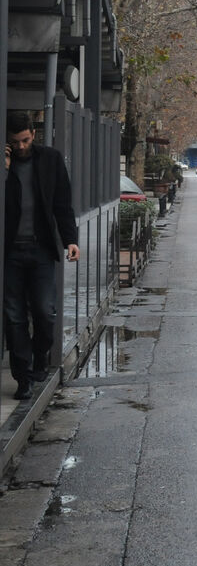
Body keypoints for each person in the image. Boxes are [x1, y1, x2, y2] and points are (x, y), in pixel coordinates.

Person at [4, 112, 79, 400]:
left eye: (25, 140)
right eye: (15, 142)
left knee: (45, 312)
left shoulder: (50, 159)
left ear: (33, 134)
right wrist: (5, 170)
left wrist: (71, 240)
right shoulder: (5, 164)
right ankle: (22, 378)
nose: (21, 147)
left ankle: (39, 356)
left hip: (40, 250)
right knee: (14, 318)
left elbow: (62, 203)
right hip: (10, 252)